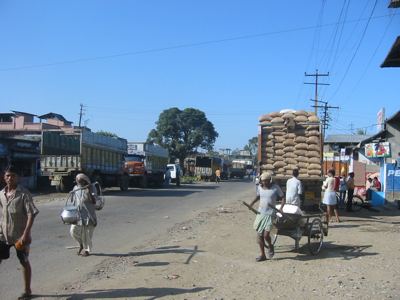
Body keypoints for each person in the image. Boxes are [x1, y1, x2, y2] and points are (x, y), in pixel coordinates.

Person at [0, 166, 39, 300]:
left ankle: (27, 291)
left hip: (20, 236)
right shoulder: (1, 194)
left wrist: (26, 234)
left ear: (18, 178)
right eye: (8, 176)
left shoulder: (24, 194)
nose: (10, 178)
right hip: (3, 235)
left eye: (13, 176)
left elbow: (31, 214)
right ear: (4, 177)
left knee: (24, 262)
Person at [249, 172, 285, 262]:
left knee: (266, 235)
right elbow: (258, 196)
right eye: (263, 181)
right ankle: (263, 255)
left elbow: (283, 198)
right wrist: (252, 203)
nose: (265, 183)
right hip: (260, 213)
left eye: (266, 181)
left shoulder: (275, 187)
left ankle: (270, 245)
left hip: (270, 214)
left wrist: (281, 208)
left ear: (270, 180)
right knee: (259, 236)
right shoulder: (260, 187)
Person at [69, 173, 97, 257]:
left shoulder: (92, 188)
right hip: (78, 215)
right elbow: (73, 201)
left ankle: (87, 250)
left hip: (89, 215)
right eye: (77, 181)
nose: (78, 182)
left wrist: (89, 191)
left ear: (85, 181)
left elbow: (94, 201)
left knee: (87, 235)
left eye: (80, 181)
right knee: (73, 231)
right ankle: (81, 244)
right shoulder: (76, 188)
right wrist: (71, 194)